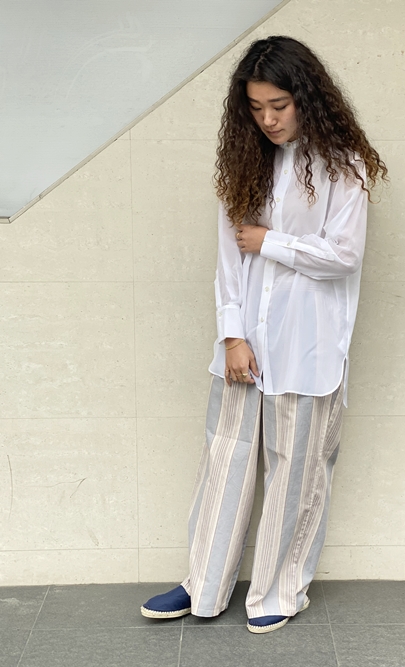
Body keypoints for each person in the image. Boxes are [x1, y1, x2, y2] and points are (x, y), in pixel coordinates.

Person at [141, 35, 387, 634]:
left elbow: (344, 255)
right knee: (224, 459)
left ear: (306, 98)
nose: (268, 119)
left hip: (308, 346)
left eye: (279, 105)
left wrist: (270, 242)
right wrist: (232, 335)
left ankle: (280, 590)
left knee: (296, 469)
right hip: (245, 345)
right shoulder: (245, 161)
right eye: (255, 108)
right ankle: (203, 585)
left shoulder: (343, 166)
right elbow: (230, 258)